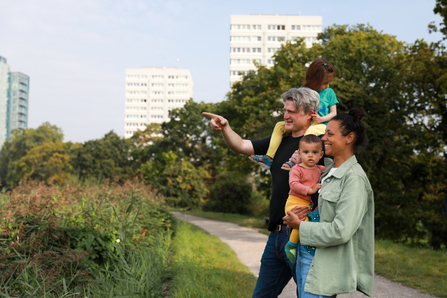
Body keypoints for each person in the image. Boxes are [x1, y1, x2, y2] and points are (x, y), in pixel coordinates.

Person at [203, 87, 320, 298]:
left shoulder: (319, 147)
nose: (285, 116)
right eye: (285, 110)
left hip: (301, 236)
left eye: (292, 112)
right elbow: (241, 145)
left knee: (310, 295)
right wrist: (225, 127)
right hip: (275, 236)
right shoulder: (279, 142)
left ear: (310, 113)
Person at [283, 108, 374, 298]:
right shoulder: (327, 170)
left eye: (329, 134)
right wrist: (297, 215)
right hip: (306, 256)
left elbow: (341, 230)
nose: (323, 138)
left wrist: (300, 226)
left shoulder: (354, 179)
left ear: (349, 138)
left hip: (322, 263)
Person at [249, 59, 339, 171]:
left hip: (321, 125)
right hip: (306, 123)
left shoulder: (329, 92)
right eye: (325, 83)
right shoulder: (301, 91)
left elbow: (334, 113)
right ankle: (269, 157)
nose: (328, 85)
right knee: (279, 126)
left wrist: (321, 119)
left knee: (311, 132)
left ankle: (296, 158)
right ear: (315, 80)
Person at [284, 134, 325, 264]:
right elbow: (293, 184)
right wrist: (310, 190)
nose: (310, 155)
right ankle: (291, 245)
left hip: (308, 205)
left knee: (310, 221)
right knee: (303, 221)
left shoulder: (321, 169)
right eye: (306, 152)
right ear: (299, 154)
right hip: (294, 202)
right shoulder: (296, 169)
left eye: (315, 152)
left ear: (321, 155)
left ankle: (302, 250)